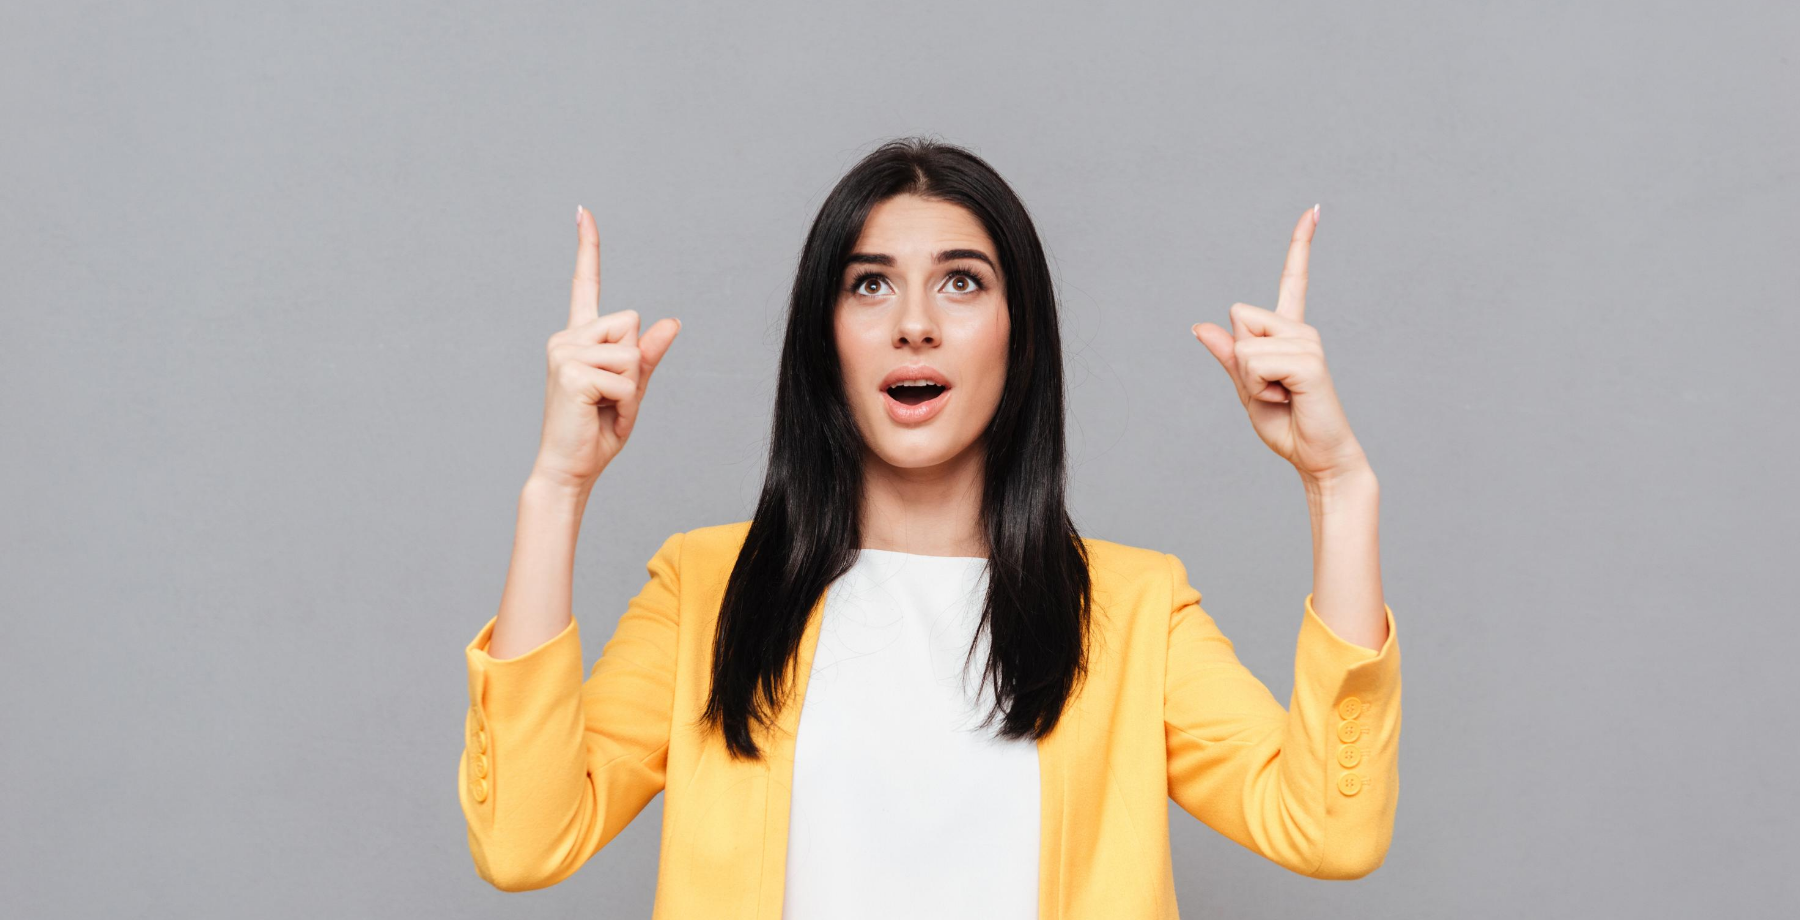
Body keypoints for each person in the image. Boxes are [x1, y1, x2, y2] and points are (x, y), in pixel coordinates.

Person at [456, 137, 1401, 918]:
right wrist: (557, 488)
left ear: (1018, 336)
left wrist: (1337, 485)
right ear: (823, 340)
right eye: (869, 285)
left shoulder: (1131, 608)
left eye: (961, 284)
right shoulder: (708, 588)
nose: (915, 324)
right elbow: (525, 844)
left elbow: (1328, 828)